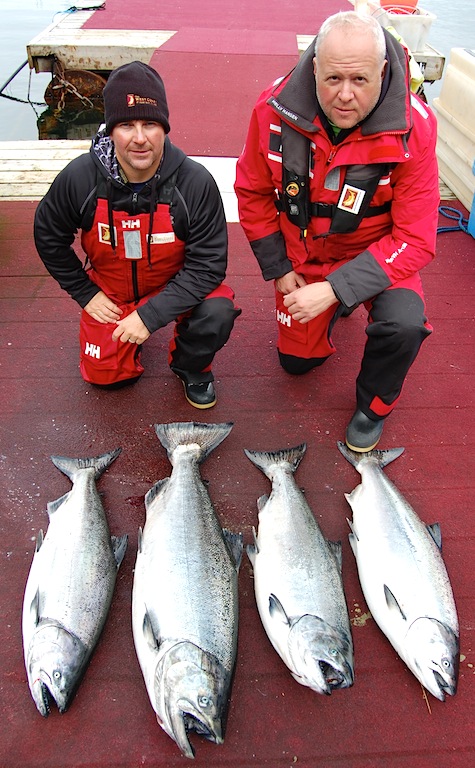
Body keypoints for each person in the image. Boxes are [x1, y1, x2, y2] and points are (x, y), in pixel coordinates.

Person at [234, 11, 439, 450]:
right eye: (333, 79)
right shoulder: (270, 109)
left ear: (382, 72)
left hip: (377, 252)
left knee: (404, 324)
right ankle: (336, 308)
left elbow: (416, 239)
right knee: (296, 364)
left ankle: (373, 408)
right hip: (304, 255)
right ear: (314, 69)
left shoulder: (416, 127)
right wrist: (278, 266)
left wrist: (334, 289)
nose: (345, 95)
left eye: (360, 80)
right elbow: (252, 191)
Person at [35, 60, 240, 408]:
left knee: (216, 311)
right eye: (127, 125)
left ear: (165, 128)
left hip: (172, 283)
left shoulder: (195, 183)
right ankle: (120, 344)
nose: (140, 138)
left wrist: (149, 316)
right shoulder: (79, 178)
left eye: (150, 124)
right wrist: (85, 293)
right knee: (107, 380)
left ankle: (190, 365)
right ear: (110, 130)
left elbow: (208, 267)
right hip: (111, 291)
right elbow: (48, 236)